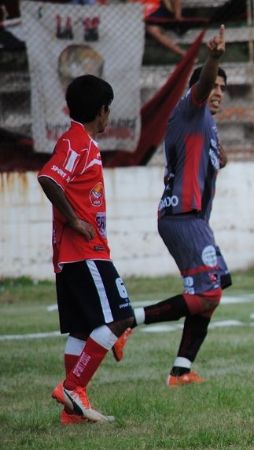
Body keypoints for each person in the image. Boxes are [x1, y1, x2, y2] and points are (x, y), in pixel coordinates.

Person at [112, 26, 230, 385]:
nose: (218, 92)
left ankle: (181, 369)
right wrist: (212, 59)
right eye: (214, 86)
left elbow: (215, 158)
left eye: (224, 88)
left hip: (193, 220)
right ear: (199, 89)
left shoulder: (205, 124)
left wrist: (218, 155)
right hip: (182, 216)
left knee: (215, 289)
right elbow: (203, 83)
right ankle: (126, 321)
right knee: (206, 292)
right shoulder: (189, 108)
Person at [39, 74, 134, 424]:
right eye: (109, 111)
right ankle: (72, 387)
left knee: (83, 329)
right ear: (102, 110)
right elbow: (49, 178)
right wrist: (74, 220)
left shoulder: (84, 143)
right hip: (83, 251)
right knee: (120, 317)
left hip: (81, 253)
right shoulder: (76, 141)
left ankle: (73, 412)